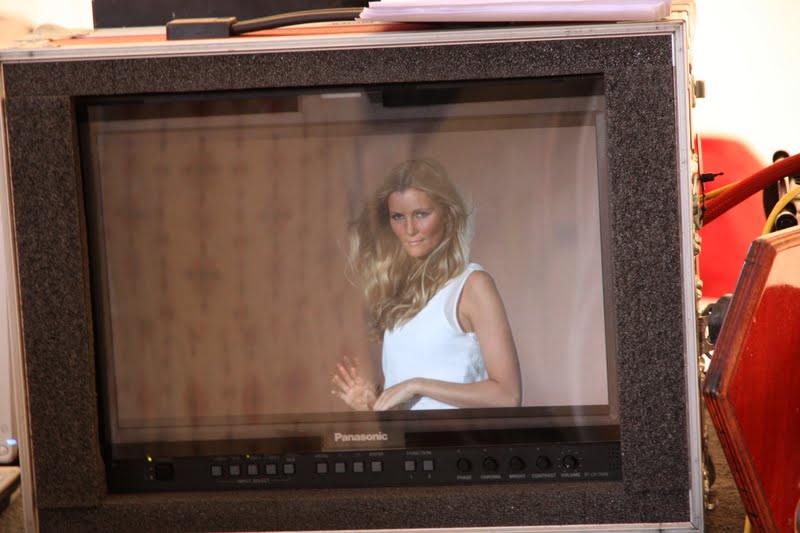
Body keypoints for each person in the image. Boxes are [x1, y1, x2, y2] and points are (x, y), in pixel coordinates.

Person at [332, 158, 521, 411]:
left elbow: (508, 396)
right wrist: (373, 406)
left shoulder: (472, 285)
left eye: (421, 214)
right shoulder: (401, 296)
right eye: (398, 217)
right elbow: (415, 407)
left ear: (447, 214)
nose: (409, 229)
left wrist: (417, 385)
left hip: (460, 436)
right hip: (414, 439)